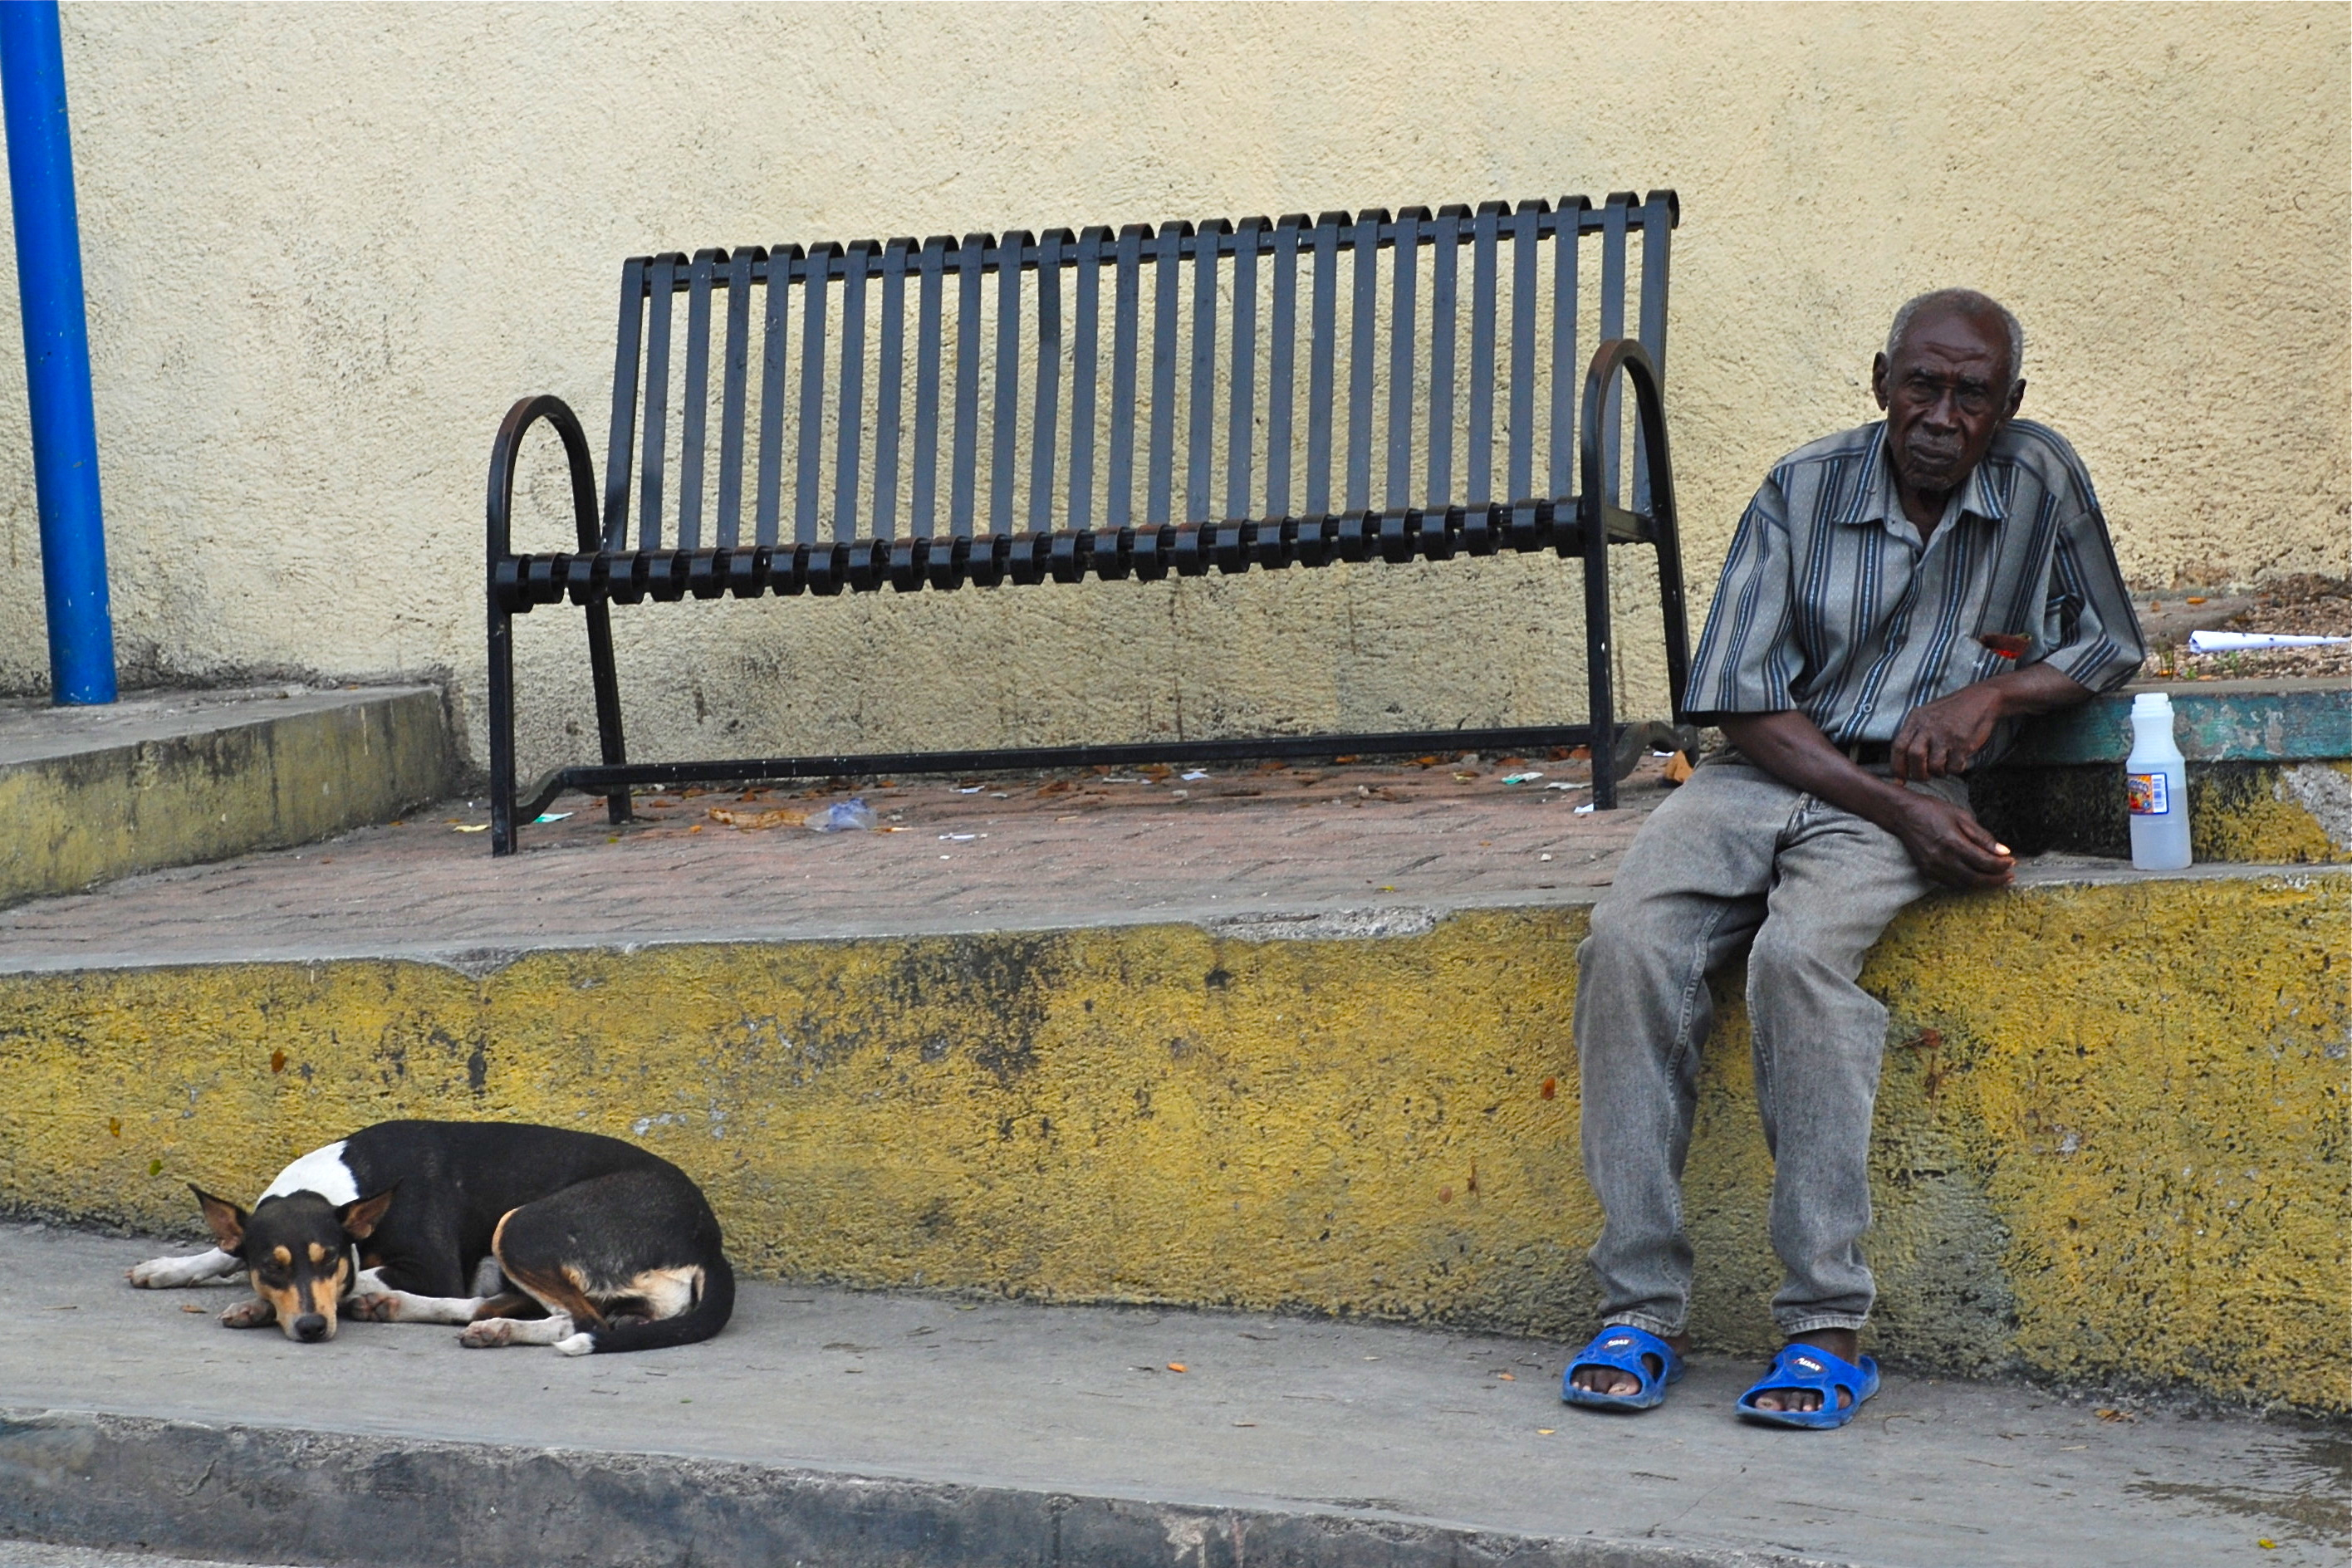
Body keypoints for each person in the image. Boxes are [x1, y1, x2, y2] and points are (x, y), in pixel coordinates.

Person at [1561, 289, 2144, 1428]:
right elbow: (1739, 698)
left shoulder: (2039, 477)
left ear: (2010, 404)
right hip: (1768, 771)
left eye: (1971, 394)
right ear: (1881, 382)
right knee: (1627, 947)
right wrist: (1898, 810)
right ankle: (1639, 1307)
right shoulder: (1802, 487)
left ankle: (1825, 1324)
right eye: (1921, 386)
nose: (1941, 416)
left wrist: (1991, 696)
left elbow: (2109, 640)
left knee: (1800, 964)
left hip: (1911, 792)